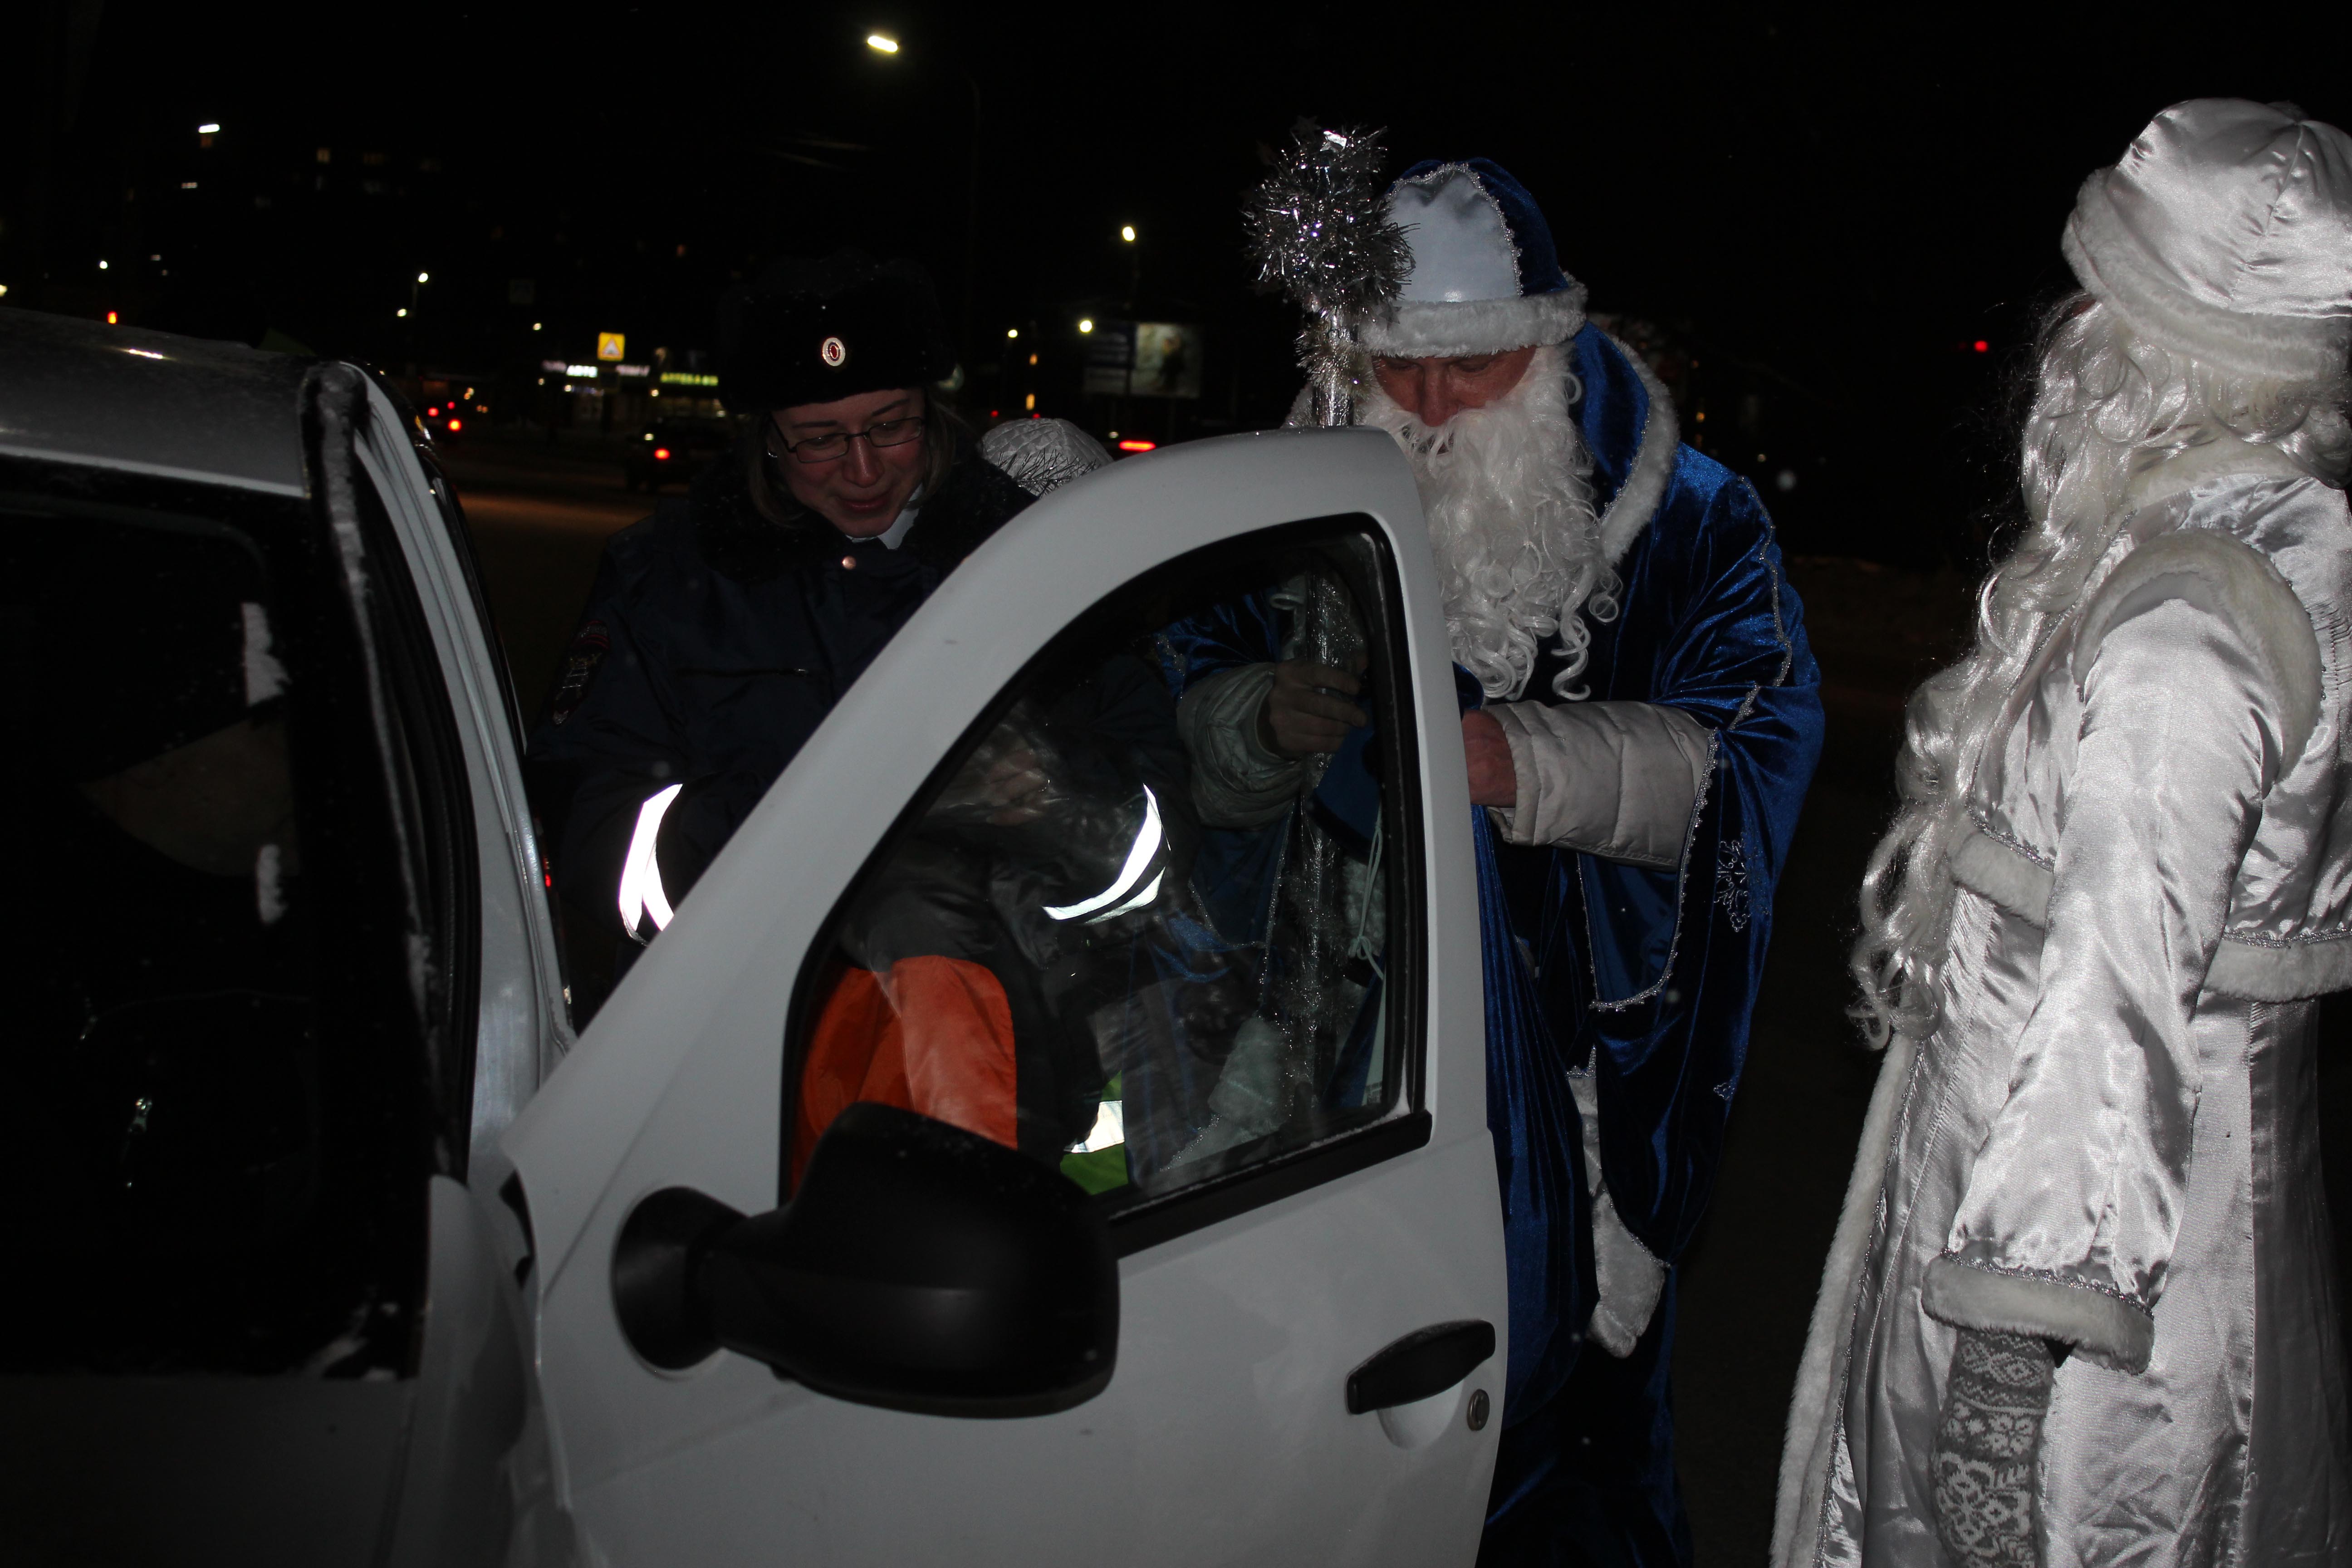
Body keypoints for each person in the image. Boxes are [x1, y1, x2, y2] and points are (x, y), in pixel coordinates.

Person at [1177, 158, 1822, 1565]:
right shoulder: (1279, 498)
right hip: (1305, 1058)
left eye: (1472, 368)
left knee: (1550, 1452)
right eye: (1395, 371)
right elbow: (1179, 684)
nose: (1430, 412)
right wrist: (1252, 723)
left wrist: (1520, 766)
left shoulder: (1699, 522)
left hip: (1557, 1077)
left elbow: (1759, 748)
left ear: (1553, 341)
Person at [1776, 100, 2352, 1568]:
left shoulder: (2184, 628)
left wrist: (2003, 1362)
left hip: (2096, 1350)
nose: (2062, 334)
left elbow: (2112, 1007)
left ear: (2160, 344)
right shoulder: (2238, 542)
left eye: (2099, 297)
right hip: (2145, 1246)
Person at [527, 252, 1105, 986]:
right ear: (769, 438)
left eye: (892, 426)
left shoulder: (1032, 561)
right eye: (821, 438)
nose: (864, 471)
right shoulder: (664, 579)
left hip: (982, 1041)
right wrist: (822, 813)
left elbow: (1147, 821)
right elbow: (593, 836)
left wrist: (1054, 806)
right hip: (728, 1027)